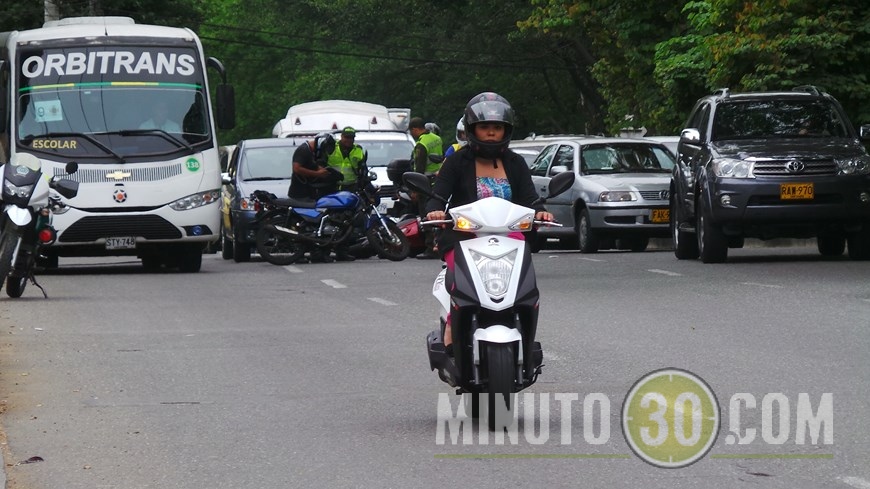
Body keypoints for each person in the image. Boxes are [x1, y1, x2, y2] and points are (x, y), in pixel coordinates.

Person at [424, 92, 554, 354]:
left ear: (506, 130)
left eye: (497, 127)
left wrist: (540, 212)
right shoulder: (456, 161)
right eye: (485, 127)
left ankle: (525, 332)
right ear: (472, 129)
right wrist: (435, 212)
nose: (491, 133)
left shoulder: (515, 162)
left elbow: (530, 197)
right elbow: (438, 196)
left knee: (524, 279)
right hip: (463, 234)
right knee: (457, 277)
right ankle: (453, 322)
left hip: (508, 235)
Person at [288, 133, 340, 263]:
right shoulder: (303, 150)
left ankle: (316, 252)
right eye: (323, 150)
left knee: (313, 223)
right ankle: (298, 253)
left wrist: (328, 173)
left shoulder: (313, 154)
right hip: (299, 193)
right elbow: (297, 168)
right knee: (302, 224)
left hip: (310, 192)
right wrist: (317, 173)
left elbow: (315, 166)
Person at [409, 117, 444, 259]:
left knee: (426, 215)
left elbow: (419, 168)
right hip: (438, 180)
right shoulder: (436, 138)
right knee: (438, 212)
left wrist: (415, 189)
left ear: (415, 129)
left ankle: (430, 247)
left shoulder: (421, 144)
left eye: (412, 131)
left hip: (426, 182)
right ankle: (440, 244)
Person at [327, 127, 368, 193]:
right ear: (341, 136)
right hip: (332, 186)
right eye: (347, 137)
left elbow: (363, 168)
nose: (349, 140)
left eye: (351, 138)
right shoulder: (332, 147)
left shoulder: (358, 150)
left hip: (351, 187)